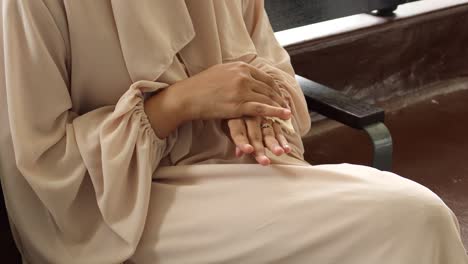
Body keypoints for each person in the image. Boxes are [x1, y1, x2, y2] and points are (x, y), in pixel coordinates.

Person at [0, 0, 466, 263]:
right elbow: (42, 165)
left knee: (408, 221)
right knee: (407, 222)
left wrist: (253, 102)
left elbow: (268, 67)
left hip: (244, 167)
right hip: (120, 205)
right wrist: (179, 103)